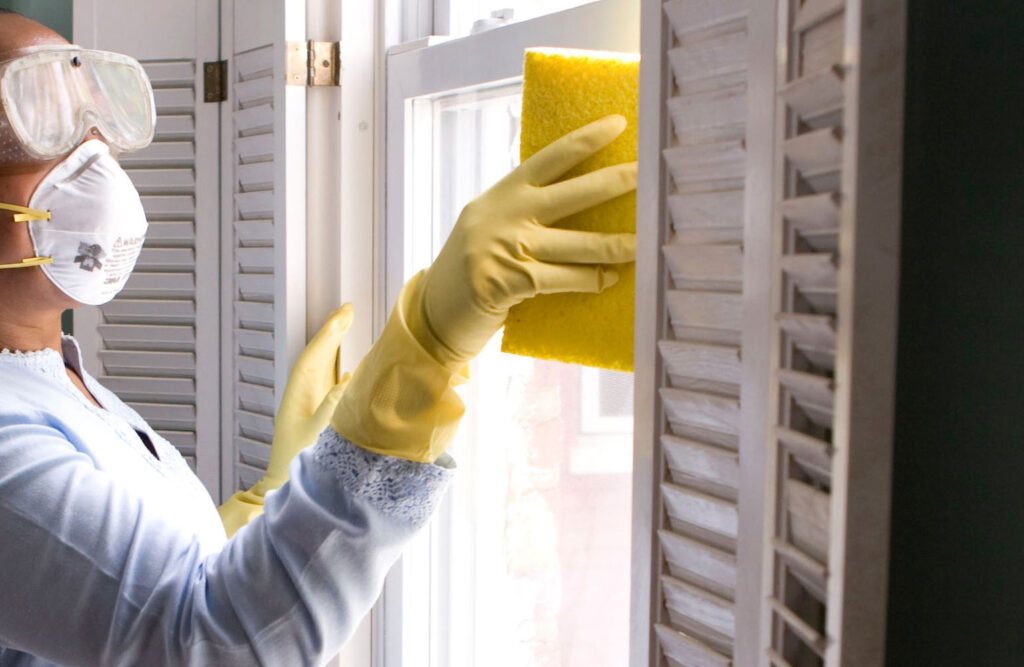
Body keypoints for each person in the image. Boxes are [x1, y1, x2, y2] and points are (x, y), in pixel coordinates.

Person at [0, 11, 637, 667]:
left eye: (93, 118)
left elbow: (129, 606)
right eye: (41, 119)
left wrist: (274, 497)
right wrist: (424, 353)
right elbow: (218, 644)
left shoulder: (53, 377)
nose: (92, 155)